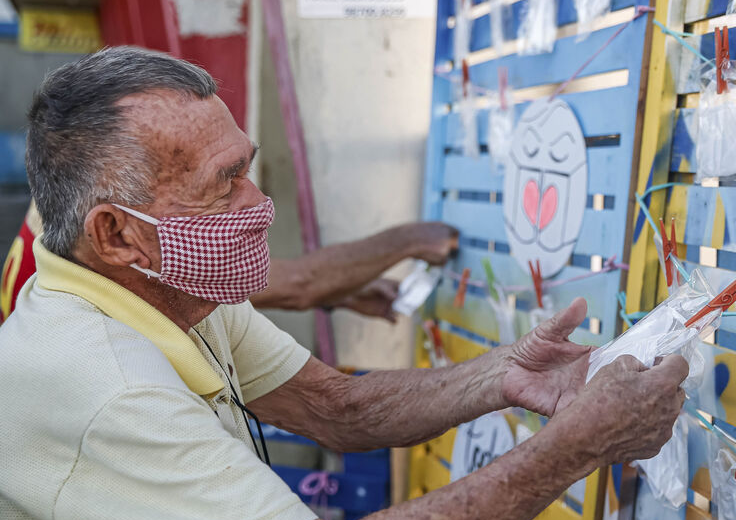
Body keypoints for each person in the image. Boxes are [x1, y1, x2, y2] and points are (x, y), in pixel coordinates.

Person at [0, 47, 687, 520]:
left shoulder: (169, 292)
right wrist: (576, 446)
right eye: (224, 183)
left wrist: (508, 375)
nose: (258, 203)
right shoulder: (105, 387)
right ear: (117, 235)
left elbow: (339, 409)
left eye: (247, 165)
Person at [0, 202, 459, 324]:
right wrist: (410, 240)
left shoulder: (62, 208)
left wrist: (341, 294)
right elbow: (299, 284)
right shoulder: (103, 233)